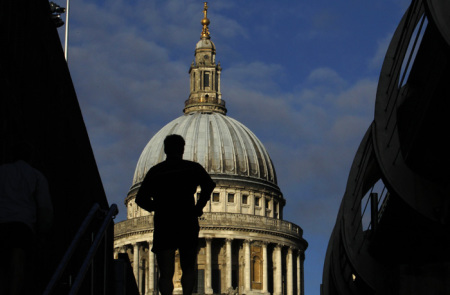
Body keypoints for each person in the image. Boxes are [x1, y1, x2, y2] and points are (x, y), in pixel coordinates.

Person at [135, 134, 215, 295]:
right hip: (187, 220)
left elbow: (140, 198)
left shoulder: (157, 171)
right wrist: (199, 206)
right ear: (182, 149)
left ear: (165, 149)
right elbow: (209, 185)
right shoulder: (192, 168)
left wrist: (156, 207)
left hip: (165, 222)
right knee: (188, 266)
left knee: (165, 271)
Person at [0, 143, 53, 295]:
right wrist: (43, 233)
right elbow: (45, 208)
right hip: (22, 225)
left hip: (2, 222)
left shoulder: (2, 171)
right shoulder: (35, 175)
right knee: (18, 264)